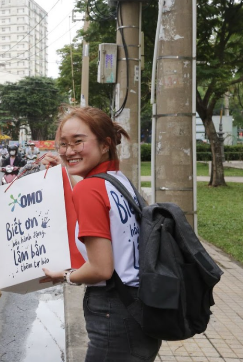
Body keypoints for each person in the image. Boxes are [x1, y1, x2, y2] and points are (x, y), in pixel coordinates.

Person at [38, 106, 161, 362]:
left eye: (78, 142)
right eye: (63, 144)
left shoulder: (91, 190)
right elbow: (88, 191)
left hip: (114, 313)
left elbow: (100, 269)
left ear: (105, 144)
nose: (69, 151)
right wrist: (64, 166)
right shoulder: (118, 181)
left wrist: (64, 275)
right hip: (141, 306)